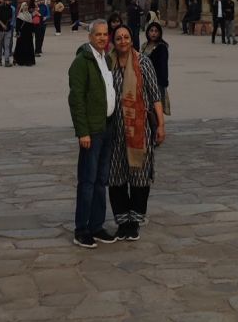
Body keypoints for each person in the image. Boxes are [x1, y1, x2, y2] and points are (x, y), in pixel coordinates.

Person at [108, 24, 165, 238]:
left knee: (139, 176)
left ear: (131, 39)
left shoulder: (142, 62)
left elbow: (155, 95)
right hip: (114, 130)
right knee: (116, 175)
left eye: (126, 37)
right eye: (119, 38)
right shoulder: (108, 63)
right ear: (113, 41)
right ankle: (122, 220)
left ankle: (135, 220)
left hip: (139, 129)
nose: (123, 41)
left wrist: (161, 124)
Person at [68, 20, 119, 248]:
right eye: (98, 34)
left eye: (105, 34)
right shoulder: (81, 62)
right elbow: (76, 99)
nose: (102, 38)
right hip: (92, 131)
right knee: (87, 181)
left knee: (101, 181)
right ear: (90, 37)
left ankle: (97, 225)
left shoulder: (105, 59)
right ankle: (82, 228)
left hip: (106, 127)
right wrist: (83, 132)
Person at [143, 20, 170, 116]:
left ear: (159, 33)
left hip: (157, 83)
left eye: (156, 31)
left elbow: (163, 67)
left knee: (155, 111)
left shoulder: (161, 47)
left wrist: (162, 84)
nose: (153, 33)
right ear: (148, 32)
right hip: (144, 82)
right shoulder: (145, 46)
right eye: (151, 31)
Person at [13, 0, 37, 66]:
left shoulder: (29, 15)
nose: (26, 6)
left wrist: (33, 32)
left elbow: (32, 25)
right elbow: (18, 26)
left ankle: (28, 61)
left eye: (26, 5)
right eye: (24, 5)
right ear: (22, 7)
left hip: (28, 33)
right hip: (22, 33)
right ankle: (20, 60)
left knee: (28, 46)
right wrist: (17, 32)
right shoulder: (20, 16)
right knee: (21, 47)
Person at [0, 0, 14, 66]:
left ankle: (7, 61)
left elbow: (10, 18)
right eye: (8, 0)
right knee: (0, 44)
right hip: (0, 29)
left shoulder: (11, 9)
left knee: (7, 45)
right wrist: (3, 25)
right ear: (5, 1)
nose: (10, 2)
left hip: (8, 28)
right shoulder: (1, 8)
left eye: (10, 0)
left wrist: (9, 23)